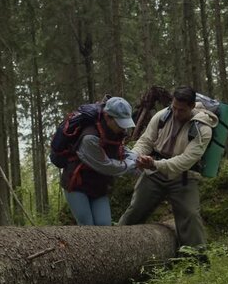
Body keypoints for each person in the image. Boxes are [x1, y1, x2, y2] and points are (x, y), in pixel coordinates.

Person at [119, 86, 218, 253]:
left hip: (183, 176)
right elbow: (145, 142)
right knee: (135, 209)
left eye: (182, 110)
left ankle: (196, 259)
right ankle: (117, 243)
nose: (177, 113)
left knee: (190, 216)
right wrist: (136, 156)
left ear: (192, 106)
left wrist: (155, 164)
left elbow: (184, 162)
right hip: (154, 174)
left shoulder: (203, 129)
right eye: (174, 108)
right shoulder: (162, 116)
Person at [61, 97, 138, 226]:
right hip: (77, 184)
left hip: (99, 184)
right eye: (120, 123)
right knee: (87, 226)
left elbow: (120, 148)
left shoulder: (115, 131)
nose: (123, 128)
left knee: (104, 225)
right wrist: (133, 164)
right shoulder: (90, 137)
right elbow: (107, 166)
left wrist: (137, 158)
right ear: (107, 117)